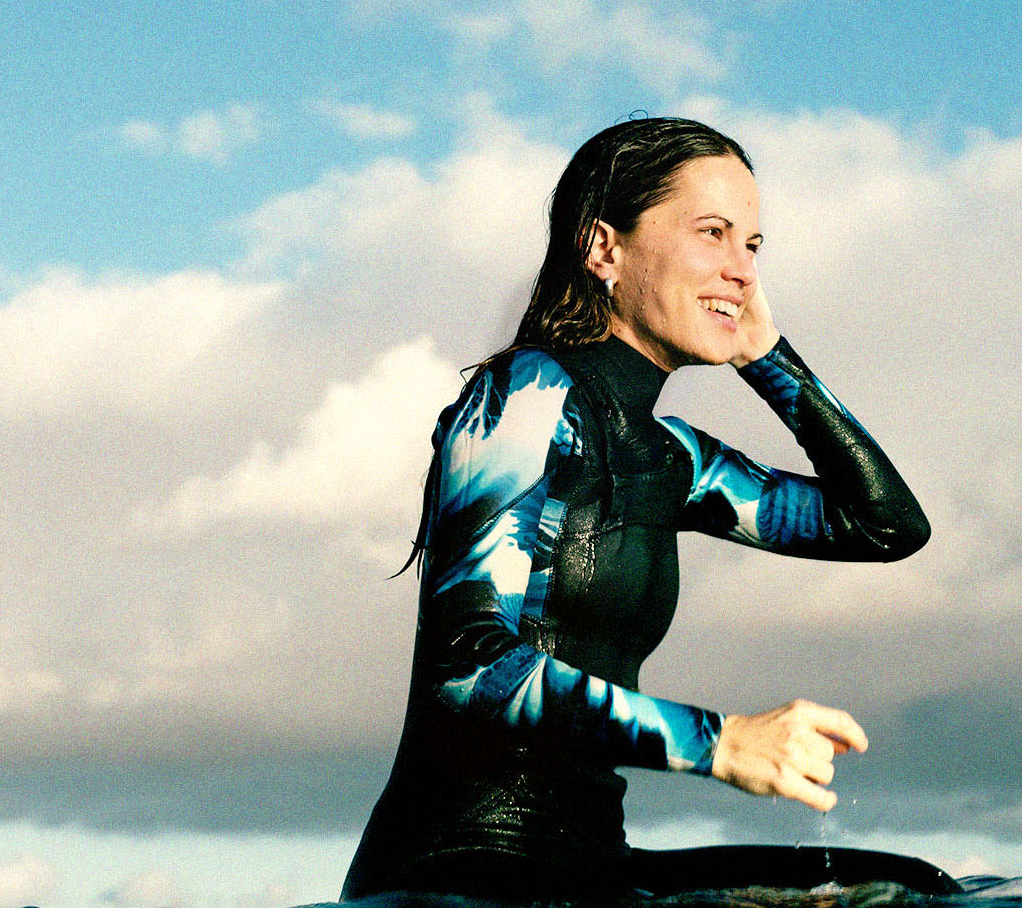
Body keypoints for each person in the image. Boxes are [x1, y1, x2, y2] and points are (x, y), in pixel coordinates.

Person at [341, 117, 932, 901]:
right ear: (604, 249)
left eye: (752, 247)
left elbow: (885, 526)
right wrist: (720, 743)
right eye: (713, 233)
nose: (742, 270)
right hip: (460, 872)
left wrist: (768, 357)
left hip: (592, 865)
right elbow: (472, 665)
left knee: (908, 889)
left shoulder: (673, 458)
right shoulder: (526, 395)